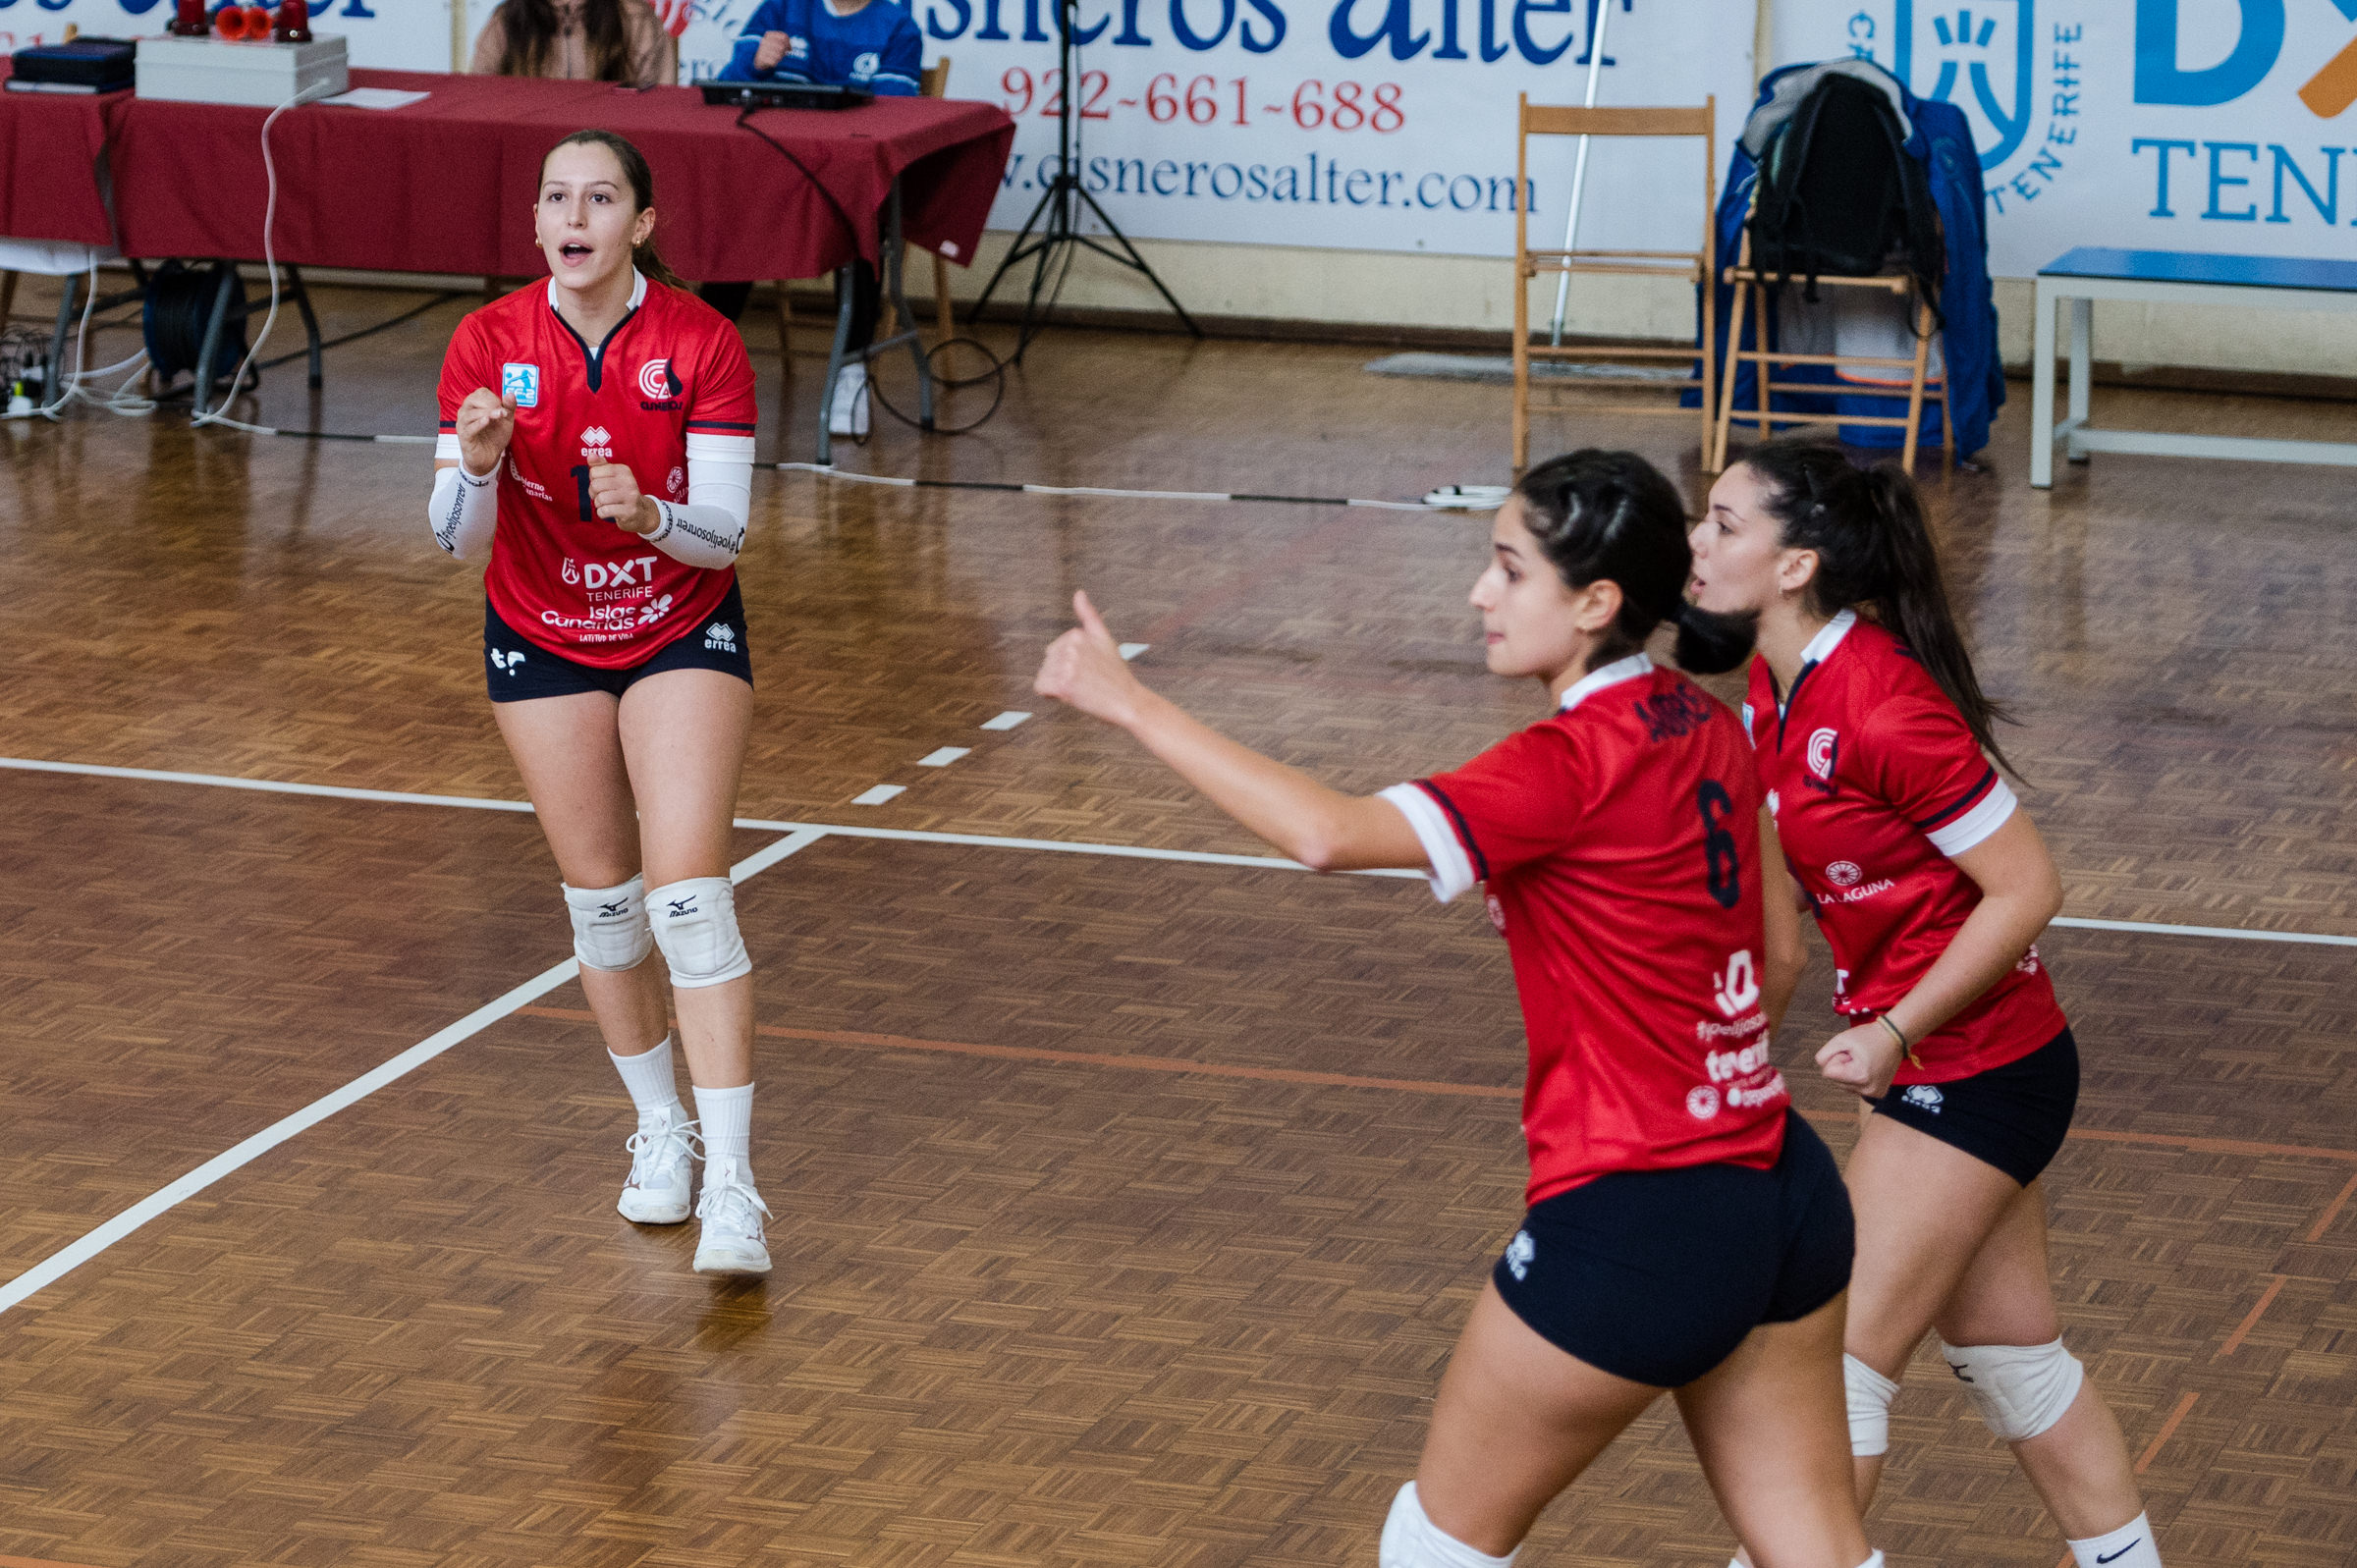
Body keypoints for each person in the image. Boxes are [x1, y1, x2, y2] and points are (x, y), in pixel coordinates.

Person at [1033, 451, 1887, 1568]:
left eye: (1509, 569)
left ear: (1596, 601)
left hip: (1638, 1214)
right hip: (1783, 1189)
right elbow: (1778, 955)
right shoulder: (1708, 723)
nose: (1481, 594)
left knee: (1434, 1546)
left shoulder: (1565, 762)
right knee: (1817, 1551)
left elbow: (1326, 834)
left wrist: (1131, 702)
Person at [1687, 435, 2163, 1568]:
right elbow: (1778, 905)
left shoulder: (1883, 705)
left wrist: (1897, 1028)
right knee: (2014, 1363)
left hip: (1975, 1070)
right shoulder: (1771, 686)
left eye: (1722, 522)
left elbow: (2029, 887)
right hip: (1951, 1066)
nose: (1697, 541)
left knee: (1827, 1371)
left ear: (1796, 565)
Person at [429, 129, 774, 1278]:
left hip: (678, 620)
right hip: (539, 632)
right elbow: (454, 541)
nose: (575, 216)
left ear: (643, 222)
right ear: (536, 223)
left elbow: (724, 533)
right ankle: (661, 1131)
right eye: (556, 198)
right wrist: (479, 466)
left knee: (692, 904)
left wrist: (649, 517)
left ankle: (734, 1188)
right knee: (606, 911)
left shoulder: (702, 340)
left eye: (601, 197)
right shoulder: (487, 343)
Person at [706, 0, 923, 440]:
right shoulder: (780, 9)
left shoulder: (897, 26)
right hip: (773, 174)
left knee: (864, 223)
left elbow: (893, 120)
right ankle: (695, 364)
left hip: (847, 181)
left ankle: (852, 369)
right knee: (741, 221)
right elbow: (727, 88)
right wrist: (756, 63)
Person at [469, 0, 679, 87]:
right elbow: (480, 100)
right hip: (528, 151)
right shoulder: (507, 19)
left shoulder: (635, 19)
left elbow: (658, 108)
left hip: (615, 155)